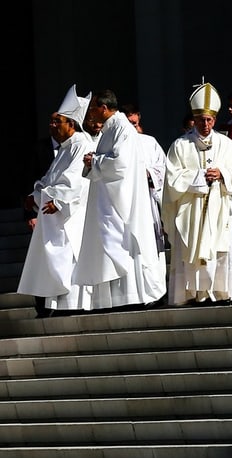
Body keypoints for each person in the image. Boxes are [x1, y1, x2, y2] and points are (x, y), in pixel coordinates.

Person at [78, 89, 166, 311]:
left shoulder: (122, 128)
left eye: (92, 108)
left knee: (122, 245)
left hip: (122, 202)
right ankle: (117, 298)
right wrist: (94, 162)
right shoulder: (111, 128)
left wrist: (94, 161)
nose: (90, 114)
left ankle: (131, 296)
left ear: (104, 108)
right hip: (110, 199)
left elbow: (121, 165)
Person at [162, 81, 232, 307]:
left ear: (215, 120)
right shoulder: (180, 146)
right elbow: (171, 179)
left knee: (219, 248)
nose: (205, 124)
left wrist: (222, 173)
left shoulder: (227, 145)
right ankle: (192, 294)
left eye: (209, 120)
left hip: (218, 208)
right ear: (193, 120)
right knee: (191, 250)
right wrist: (199, 177)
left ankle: (220, 293)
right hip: (191, 211)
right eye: (200, 120)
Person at [17, 84, 93, 317]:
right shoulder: (65, 148)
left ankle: (72, 305)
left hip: (71, 214)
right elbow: (49, 178)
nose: (52, 125)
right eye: (51, 121)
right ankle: (57, 305)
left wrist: (58, 201)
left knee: (68, 260)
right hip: (54, 215)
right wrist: (34, 196)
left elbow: (76, 180)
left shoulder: (82, 144)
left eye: (57, 121)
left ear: (71, 124)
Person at [122, 103, 169, 269]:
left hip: (146, 202)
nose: (132, 128)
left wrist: (148, 174)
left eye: (135, 124)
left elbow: (163, 168)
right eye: (129, 124)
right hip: (124, 204)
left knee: (149, 249)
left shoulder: (149, 142)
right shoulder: (115, 144)